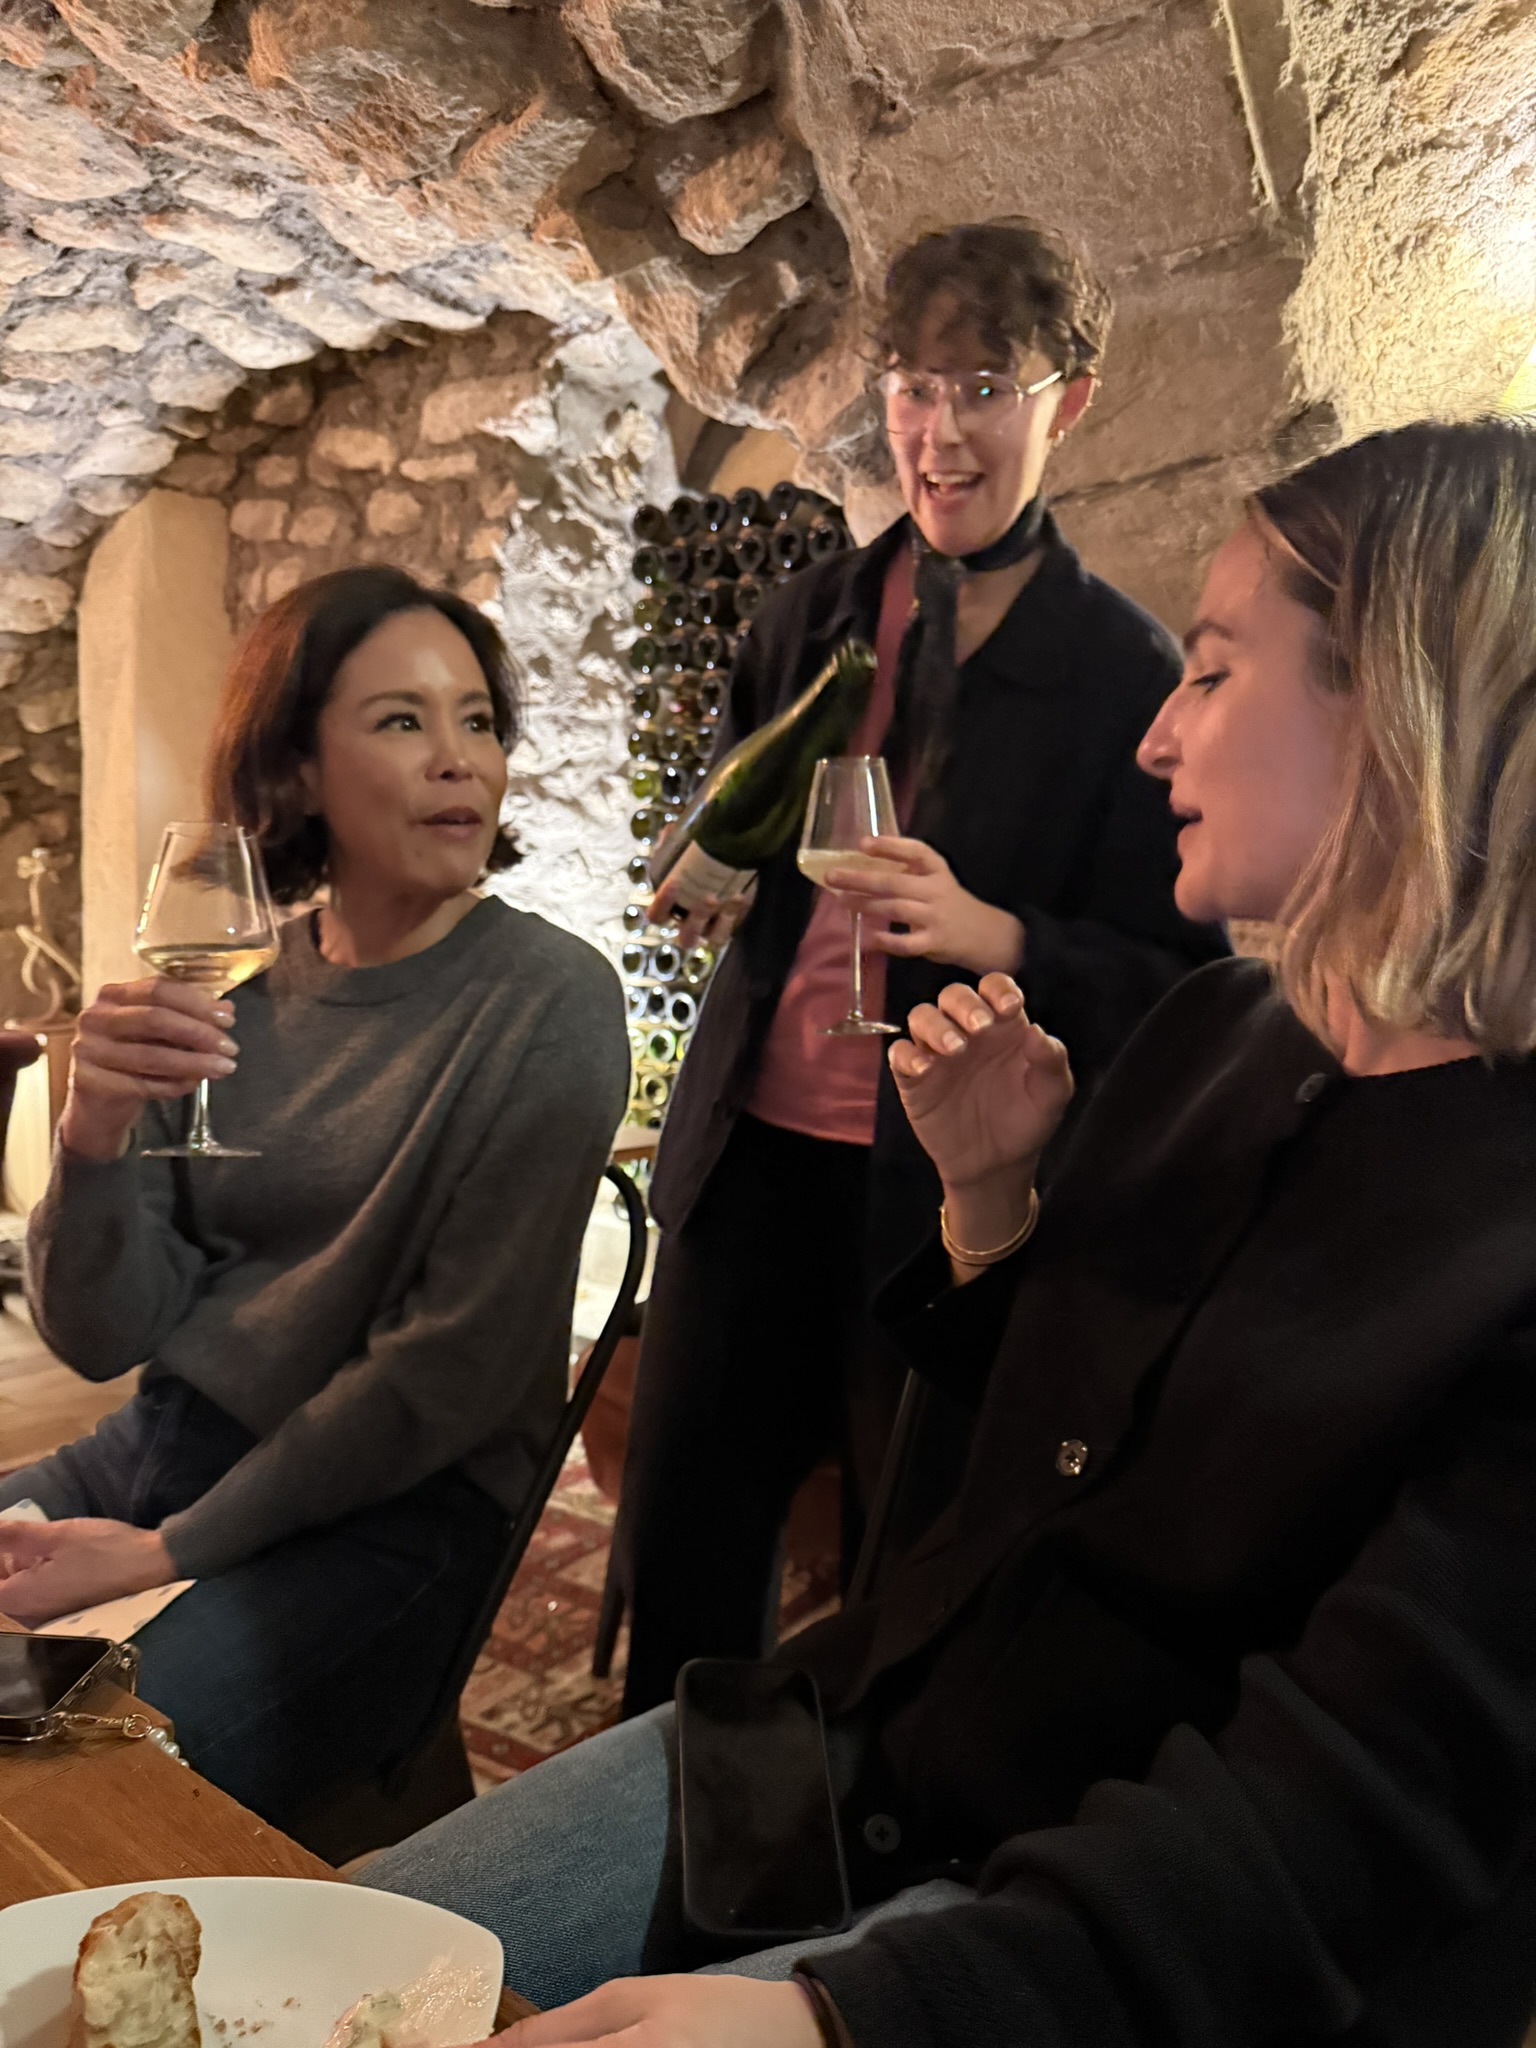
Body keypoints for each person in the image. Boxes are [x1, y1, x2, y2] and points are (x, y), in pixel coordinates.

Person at [367, 416, 1536, 2047]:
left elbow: (1338, 1827)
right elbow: (1002, 1491)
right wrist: (989, 1207)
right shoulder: (1215, 1035)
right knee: (352, 1961)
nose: (1156, 738)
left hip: (1098, 1918)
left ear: (1404, 707)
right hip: (869, 1749)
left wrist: (831, 2019)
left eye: (1210, 672)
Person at [617, 218, 1227, 1713]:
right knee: (684, 1559)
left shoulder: (1125, 674)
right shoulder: (805, 617)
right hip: (748, 1160)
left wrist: (999, 936)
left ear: (1069, 401)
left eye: (985, 388)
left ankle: (836, 1845)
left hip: (941, 1203)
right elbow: (730, 829)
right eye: (912, 387)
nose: (939, 435)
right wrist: (703, 869)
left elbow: (1180, 988)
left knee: (903, 1582)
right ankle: (656, 1830)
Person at [0, 567, 629, 1834]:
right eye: (402, 719)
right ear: (295, 770)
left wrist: (165, 1551)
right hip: (166, 1446)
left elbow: (442, 1377)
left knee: (67, 1784)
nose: (459, 758)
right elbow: (105, 1335)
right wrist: (92, 1134)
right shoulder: (227, 989)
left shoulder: (548, 999)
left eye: (478, 720)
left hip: (389, 1517)